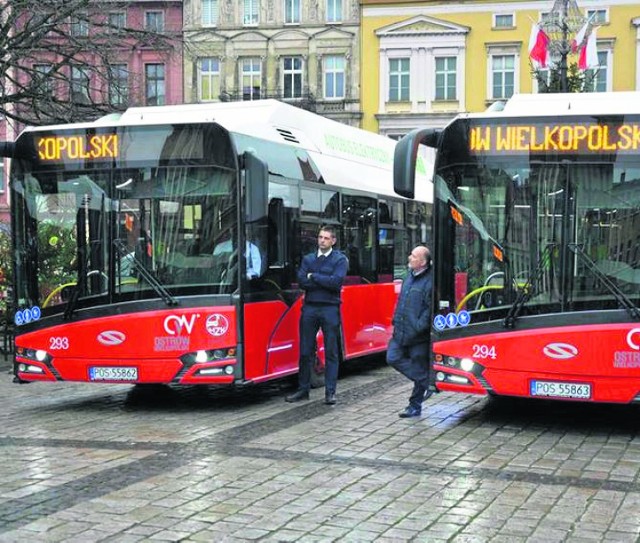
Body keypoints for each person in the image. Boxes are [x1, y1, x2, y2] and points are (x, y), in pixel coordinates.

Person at [285, 225, 348, 405]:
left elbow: (336, 283)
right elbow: (302, 281)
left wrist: (314, 276)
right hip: (310, 308)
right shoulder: (308, 258)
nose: (322, 241)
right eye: (320, 237)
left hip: (330, 308)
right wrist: (320, 278)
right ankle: (303, 390)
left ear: (333, 241)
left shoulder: (340, 260)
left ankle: (330, 392)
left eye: (326, 238)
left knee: (331, 352)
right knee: (305, 351)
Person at [387, 245, 433, 418]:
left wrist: (419, 326)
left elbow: (430, 309)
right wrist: (395, 320)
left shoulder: (430, 281)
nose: (409, 258)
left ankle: (414, 406)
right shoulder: (409, 277)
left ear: (422, 262)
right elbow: (402, 301)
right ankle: (427, 380)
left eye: (413, 256)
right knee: (392, 357)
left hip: (418, 335)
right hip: (401, 330)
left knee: (418, 363)